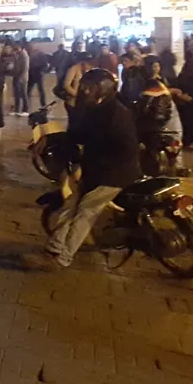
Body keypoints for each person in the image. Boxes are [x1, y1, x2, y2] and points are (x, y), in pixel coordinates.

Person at [45, 69, 143, 268]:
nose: (85, 91)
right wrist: (51, 138)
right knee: (70, 203)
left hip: (114, 174)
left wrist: (93, 164)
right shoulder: (94, 109)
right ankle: (55, 244)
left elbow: (126, 150)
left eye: (90, 88)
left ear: (102, 89)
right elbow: (79, 134)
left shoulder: (116, 114)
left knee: (86, 211)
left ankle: (65, 256)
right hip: (94, 170)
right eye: (84, 87)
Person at [9, 43, 31, 114]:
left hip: (22, 78)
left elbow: (25, 68)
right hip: (16, 76)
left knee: (23, 94)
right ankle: (17, 110)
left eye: (17, 48)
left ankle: (25, 110)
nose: (15, 49)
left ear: (20, 47)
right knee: (16, 94)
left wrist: (20, 78)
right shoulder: (17, 54)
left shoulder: (24, 55)